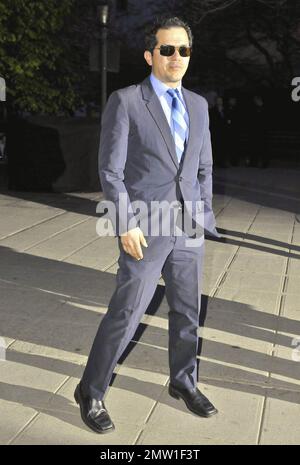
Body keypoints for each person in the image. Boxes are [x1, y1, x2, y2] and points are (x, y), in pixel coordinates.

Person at [74, 16, 220, 434]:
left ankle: (183, 380)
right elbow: (111, 170)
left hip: (189, 225)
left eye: (183, 50)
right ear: (149, 54)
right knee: (127, 310)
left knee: (188, 310)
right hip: (145, 225)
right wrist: (125, 223)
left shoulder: (198, 104)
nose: (176, 57)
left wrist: (203, 213)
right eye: (167, 49)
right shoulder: (126, 101)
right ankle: (91, 389)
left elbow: (204, 166)